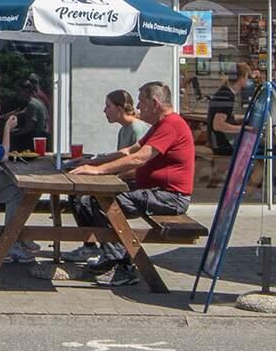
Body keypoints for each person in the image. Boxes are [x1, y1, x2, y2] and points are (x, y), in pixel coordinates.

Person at [66, 81, 195, 286]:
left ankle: (123, 266)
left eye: (142, 101)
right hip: (156, 192)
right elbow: (129, 151)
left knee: (105, 204)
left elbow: (139, 158)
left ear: (155, 103)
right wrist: (93, 163)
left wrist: (98, 171)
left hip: (170, 197)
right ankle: (110, 257)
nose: (138, 107)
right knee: (92, 200)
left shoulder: (171, 125)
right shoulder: (160, 125)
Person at [205, 63, 257, 156]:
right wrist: (243, 128)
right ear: (242, 77)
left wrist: (242, 118)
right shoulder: (227, 96)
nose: (247, 80)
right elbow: (218, 125)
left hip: (217, 142)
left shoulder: (225, 92)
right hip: (221, 145)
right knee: (256, 149)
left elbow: (225, 116)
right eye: (247, 77)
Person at [0, 82, 51, 156]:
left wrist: (11, 133)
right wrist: (1, 117)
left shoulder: (32, 105)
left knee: (12, 139)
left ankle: (6, 156)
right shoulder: (34, 101)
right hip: (40, 135)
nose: (17, 94)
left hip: (37, 137)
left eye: (19, 92)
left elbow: (29, 128)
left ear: (26, 92)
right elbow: (19, 112)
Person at [101, 88, 150, 155]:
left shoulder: (137, 128)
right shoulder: (122, 130)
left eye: (108, 106)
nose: (104, 110)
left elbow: (138, 157)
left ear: (119, 109)